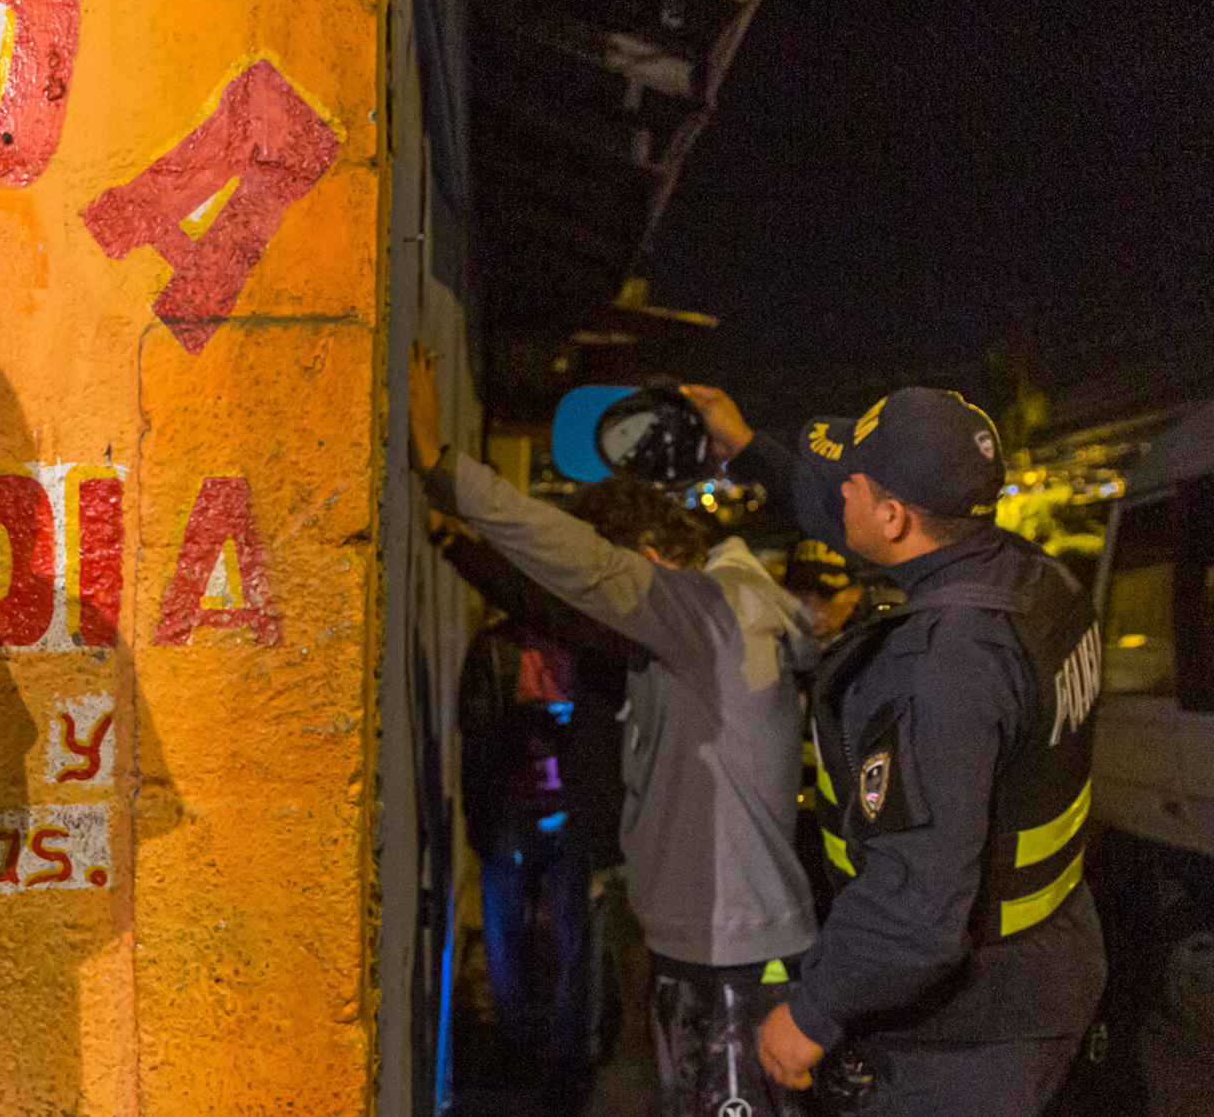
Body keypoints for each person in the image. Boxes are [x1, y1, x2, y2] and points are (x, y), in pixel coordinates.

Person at [410, 346, 817, 1117]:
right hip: (712, 946)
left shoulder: (708, 611)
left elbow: (580, 567)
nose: (606, 612)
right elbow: (559, 602)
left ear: (651, 560)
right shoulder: (716, 618)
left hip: (728, 958)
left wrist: (441, 466)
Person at [682, 384, 1107, 1116]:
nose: (837, 489)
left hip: (967, 1036)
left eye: (853, 478)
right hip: (1048, 968)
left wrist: (811, 1014)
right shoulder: (1033, 579)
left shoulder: (940, 669)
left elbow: (917, 911)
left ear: (894, 517)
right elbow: (851, 514)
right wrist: (747, 449)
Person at [438, 511, 647, 1100]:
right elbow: (475, 732)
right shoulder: (496, 648)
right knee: (508, 936)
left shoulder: (586, 648)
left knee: (573, 938)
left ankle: (566, 1056)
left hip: (571, 817)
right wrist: (520, 736)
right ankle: (519, 1048)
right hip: (511, 813)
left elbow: (609, 731)